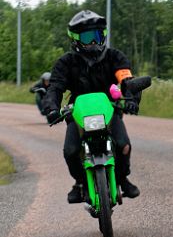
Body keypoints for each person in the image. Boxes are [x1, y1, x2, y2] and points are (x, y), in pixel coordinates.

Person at [44, 10, 142, 203]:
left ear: (103, 36)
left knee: (123, 145)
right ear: (76, 39)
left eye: (97, 36)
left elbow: (127, 80)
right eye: (88, 38)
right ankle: (80, 183)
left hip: (109, 109)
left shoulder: (115, 57)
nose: (93, 43)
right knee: (70, 151)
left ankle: (122, 178)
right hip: (78, 112)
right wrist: (51, 108)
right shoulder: (66, 62)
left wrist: (131, 99)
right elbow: (55, 87)